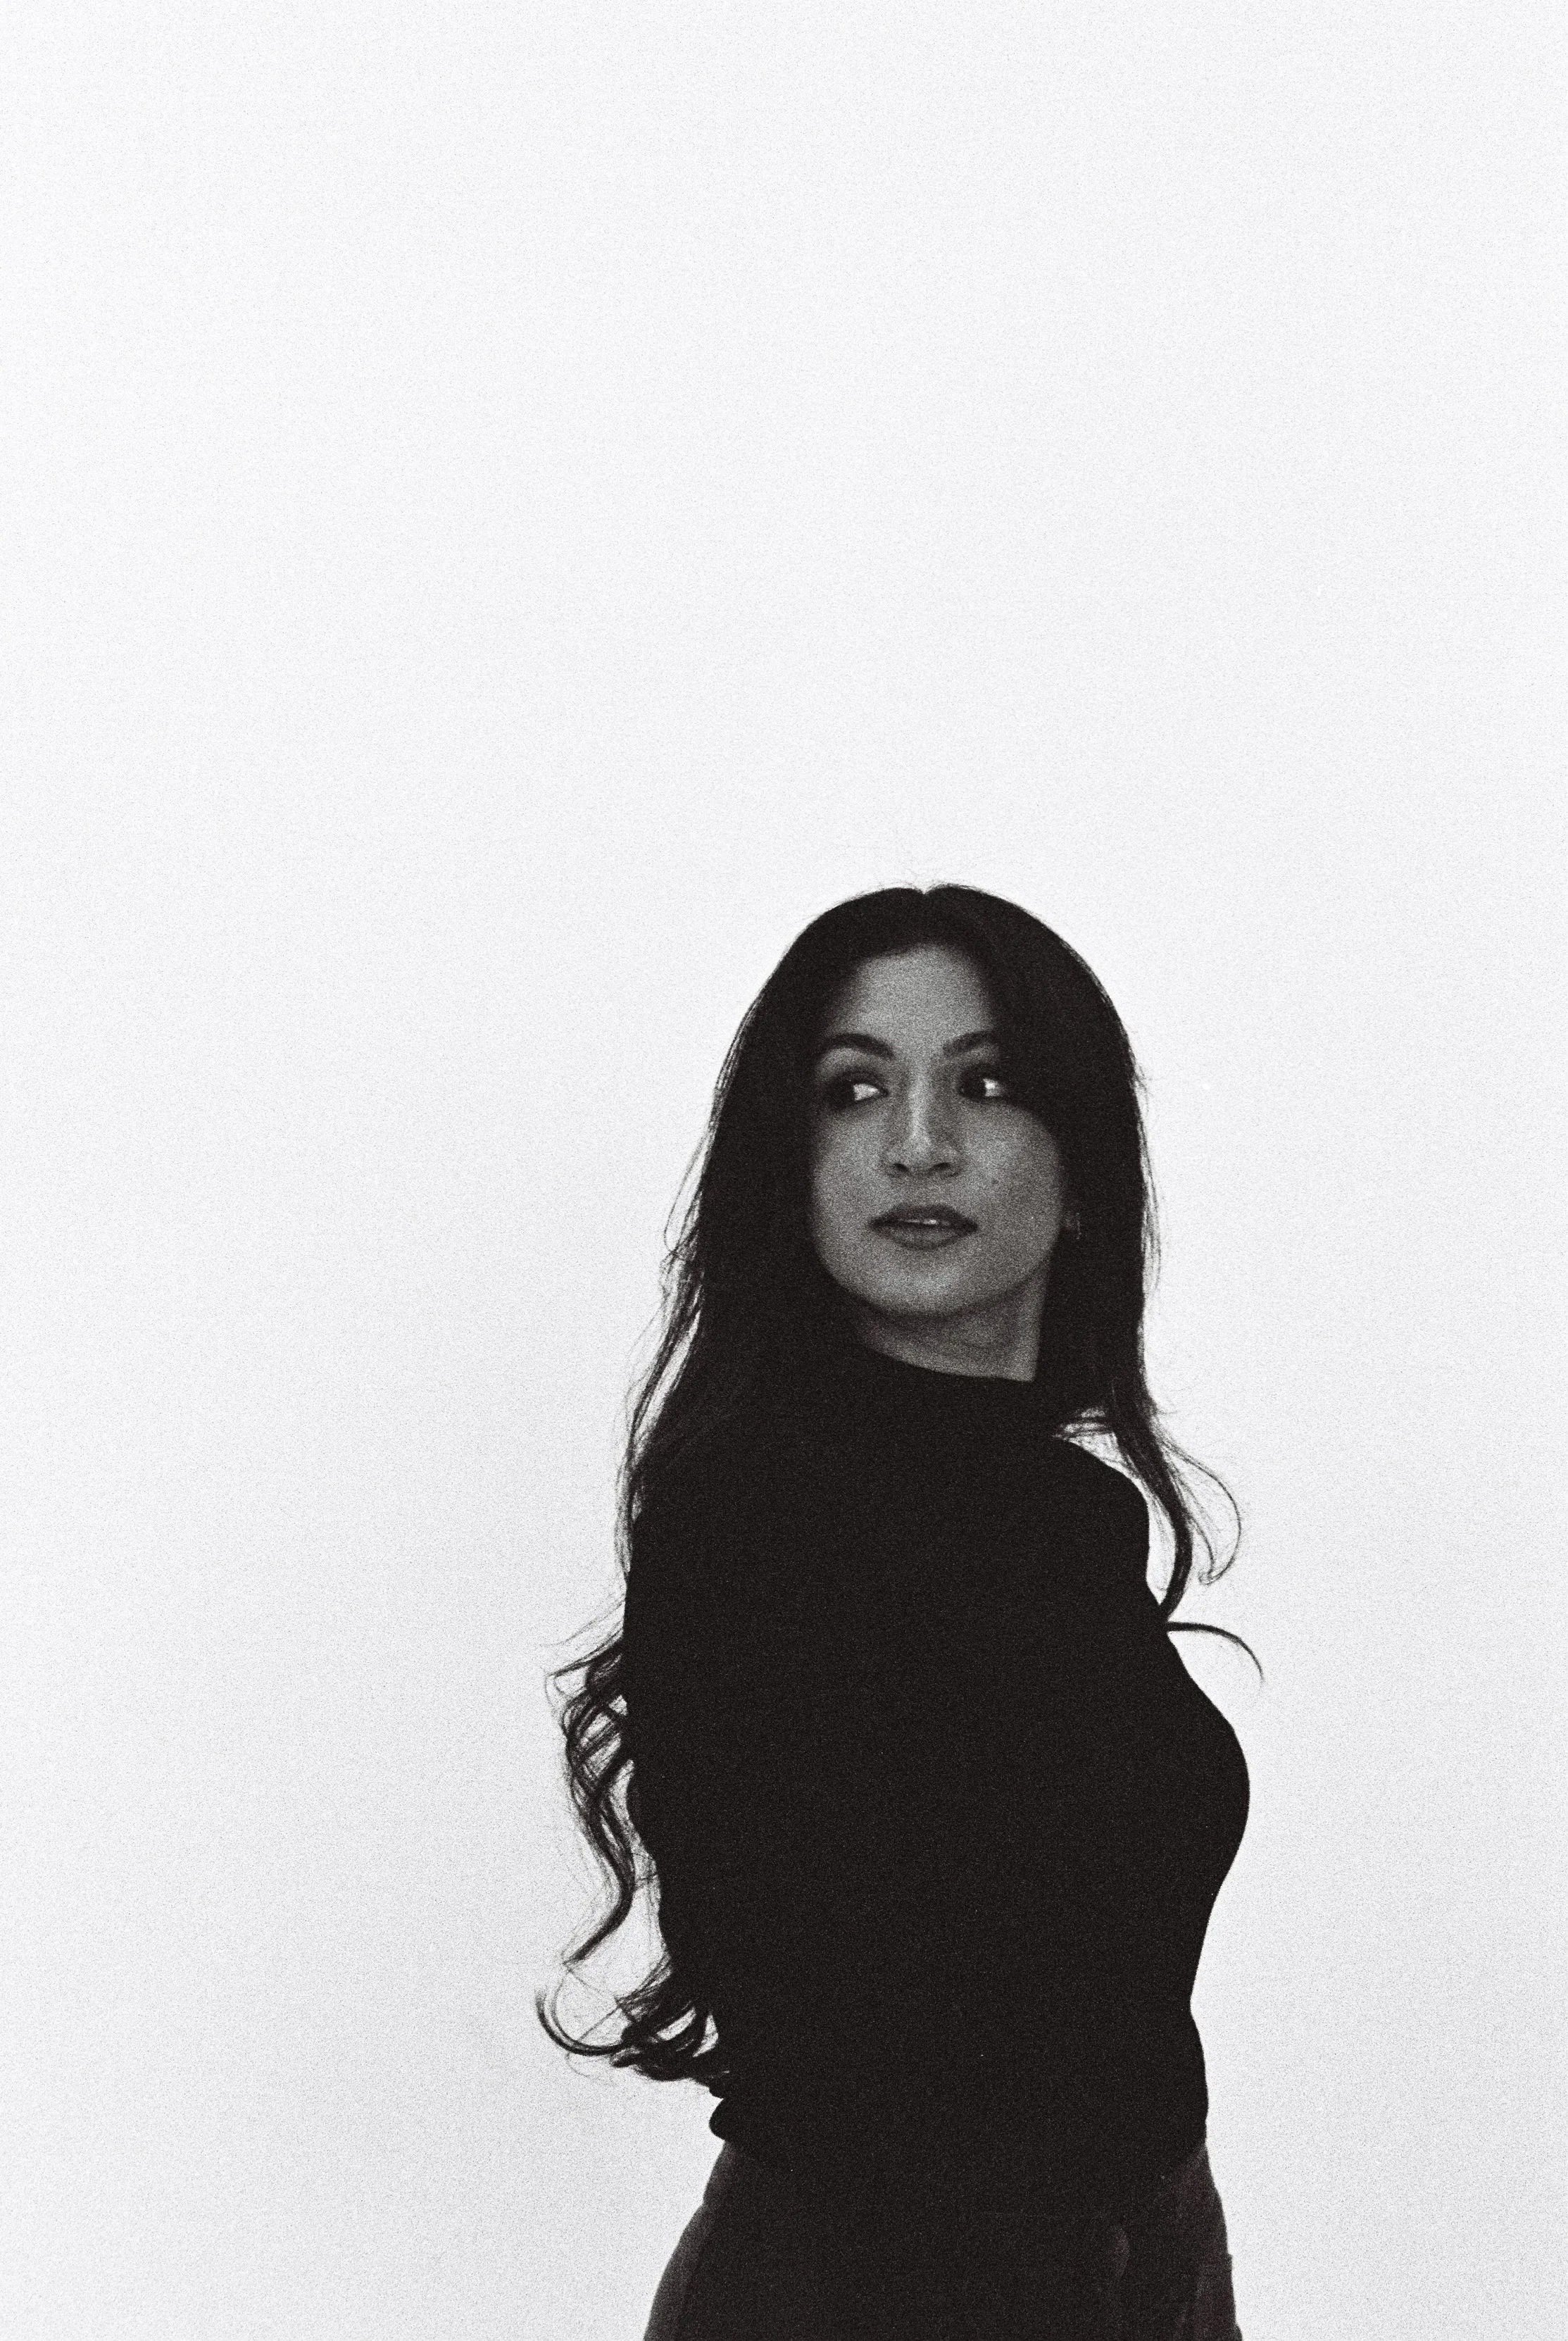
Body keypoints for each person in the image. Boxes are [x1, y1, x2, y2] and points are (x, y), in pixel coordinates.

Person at [537, 884, 1257, 2340]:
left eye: (984, 1084)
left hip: (1144, 2258)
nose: (916, 1141)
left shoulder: (1059, 1516)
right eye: (854, 1089)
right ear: (788, 1168)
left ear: (1084, 1175)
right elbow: (874, 2059)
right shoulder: (762, 1514)